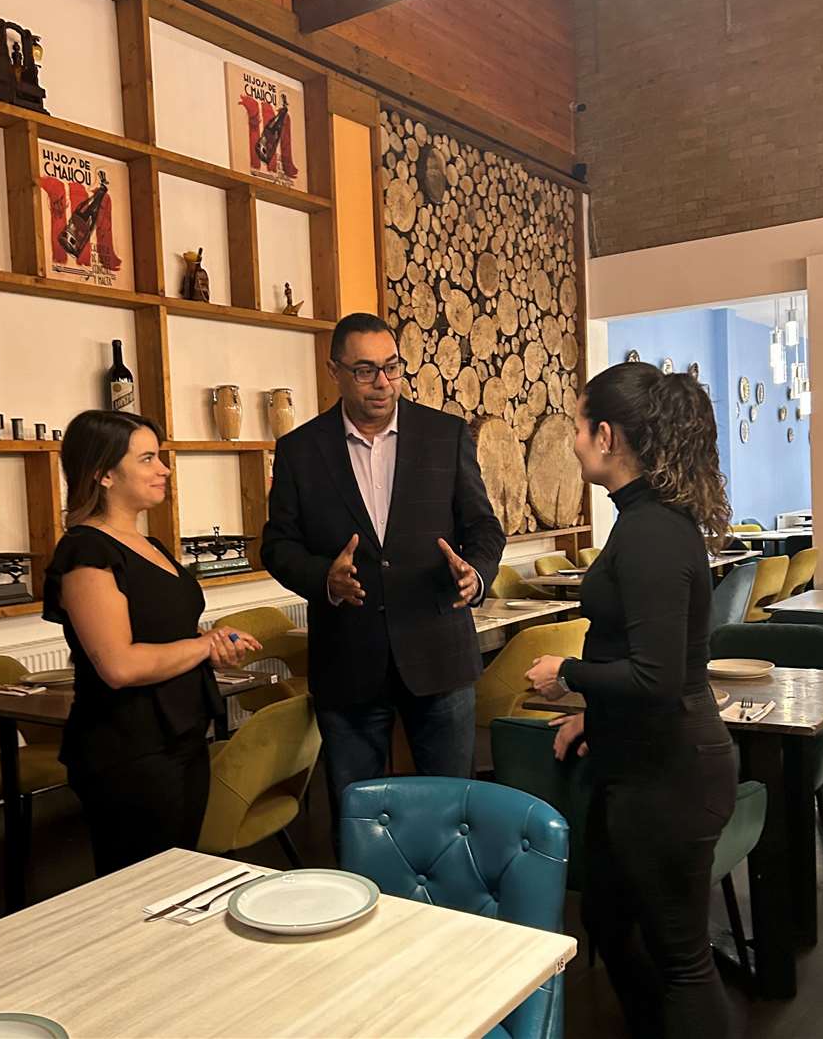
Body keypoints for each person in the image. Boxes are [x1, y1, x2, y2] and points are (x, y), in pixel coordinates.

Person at [526, 362, 737, 1039]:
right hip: (642, 761)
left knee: (681, 959)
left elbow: (657, 676)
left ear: (608, 435)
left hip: (670, 774)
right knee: (610, 922)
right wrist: (595, 715)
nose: (574, 440)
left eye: (580, 425)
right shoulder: (645, 521)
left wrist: (570, 672)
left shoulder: (650, 533)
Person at [260, 313, 505, 831]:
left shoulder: (445, 435)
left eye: (392, 367)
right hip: (348, 658)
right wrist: (324, 577)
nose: (383, 383)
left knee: (453, 811)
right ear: (335, 372)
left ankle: (449, 911)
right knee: (359, 817)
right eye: (365, 371)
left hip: (439, 652)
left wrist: (476, 574)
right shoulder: (301, 451)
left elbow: (484, 527)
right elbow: (278, 546)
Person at [43, 409, 262, 875]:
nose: (163, 469)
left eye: (159, 457)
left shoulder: (152, 545)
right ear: (103, 473)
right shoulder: (86, 551)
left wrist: (211, 642)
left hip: (179, 735)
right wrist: (204, 647)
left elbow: (167, 636)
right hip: (129, 749)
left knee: (181, 873)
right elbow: (119, 665)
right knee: (140, 887)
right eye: (147, 459)